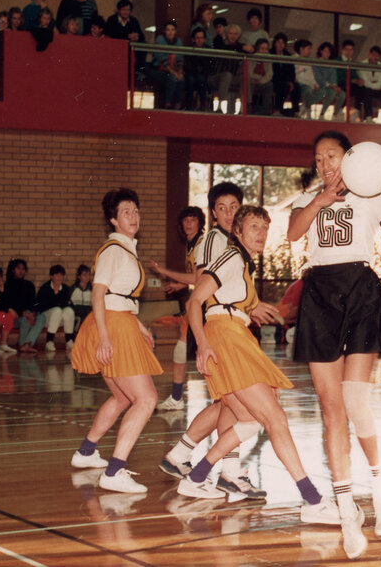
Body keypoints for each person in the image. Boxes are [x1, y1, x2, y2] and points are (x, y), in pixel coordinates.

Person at [287, 130, 381, 559]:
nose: (324, 163)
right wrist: (320, 200)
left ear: (350, 158)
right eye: (318, 157)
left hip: (359, 289)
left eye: (331, 155)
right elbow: (293, 234)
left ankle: (380, 488)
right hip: (319, 294)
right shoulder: (306, 198)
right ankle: (346, 512)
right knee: (331, 410)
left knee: (355, 400)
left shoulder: (371, 195)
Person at [176, 205, 339, 524]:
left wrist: (252, 308)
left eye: (265, 228)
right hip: (226, 337)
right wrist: (203, 344)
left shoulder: (242, 264)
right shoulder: (231, 257)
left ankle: (196, 476)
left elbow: (229, 300)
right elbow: (195, 300)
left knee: (251, 419)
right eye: (254, 227)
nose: (261, 233)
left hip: (234, 333)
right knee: (275, 418)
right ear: (237, 231)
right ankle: (312, 500)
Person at [159, 183, 266, 499]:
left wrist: (250, 307)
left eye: (234, 206)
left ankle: (181, 455)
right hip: (217, 329)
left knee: (227, 402)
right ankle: (224, 472)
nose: (229, 212)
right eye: (222, 207)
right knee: (239, 404)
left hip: (230, 327)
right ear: (213, 212)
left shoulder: (237, 245)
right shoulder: (214, 241)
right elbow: (202, 284)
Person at [69, 188, 162, 493]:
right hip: (111, 327)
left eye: (135, 211)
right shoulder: (113, 250)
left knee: (123, 397)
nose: (133, 216)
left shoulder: (125, 248)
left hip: (120, 322)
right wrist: (105, 338)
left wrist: (138, 324)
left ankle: (86, 452)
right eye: (125, 212)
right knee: (146, 399)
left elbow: (118, 297)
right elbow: (98, 294)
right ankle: (114, 471)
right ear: (113, 219)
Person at [149, 206, 205, 411]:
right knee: (182, 348)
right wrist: (180, 285)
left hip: (210, 303)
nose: (189, 224)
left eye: (193, 220)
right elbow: (199, 278)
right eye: (186, 220)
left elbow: (199, 278)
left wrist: (164, 271)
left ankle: (177, 397)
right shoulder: (191, 245)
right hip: (198, 301)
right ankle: (176, 397)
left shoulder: (202, 244)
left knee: (209, 350)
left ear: (200, 223)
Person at [1, 258, 45, 353]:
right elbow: (8, 304)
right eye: (18, 268)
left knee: (42, 317)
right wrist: (24, 313)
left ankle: (27, 344)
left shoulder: (29, 285)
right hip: (16, 318)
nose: (21, 271)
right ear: (13, 270)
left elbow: (33, 302)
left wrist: (33, 313)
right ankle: (21, 344)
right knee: (25, 319)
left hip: (29, 314)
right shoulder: (7, 285)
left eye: (23, 269)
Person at [35, 265, 75, 352]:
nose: (59, 277)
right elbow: (41, 306)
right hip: (46, 318)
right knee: (57, 310)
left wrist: (57, 303)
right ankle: (49, 341)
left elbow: (68, 304)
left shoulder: (66, 289)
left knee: (69, 311)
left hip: (59, 318)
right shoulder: (45, 288)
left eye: (61, 275)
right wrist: (57, 303)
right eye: (57, 275)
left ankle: (69, 340)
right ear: (51, 276)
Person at [69, 264, 93, 346]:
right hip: (77, 313)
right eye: (84, 275)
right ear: (79, 277)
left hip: (88, 313)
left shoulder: (92, 289)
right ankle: (76, 337)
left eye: (88, 275)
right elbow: (70, 304)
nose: (87, 277)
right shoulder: (73, 289)